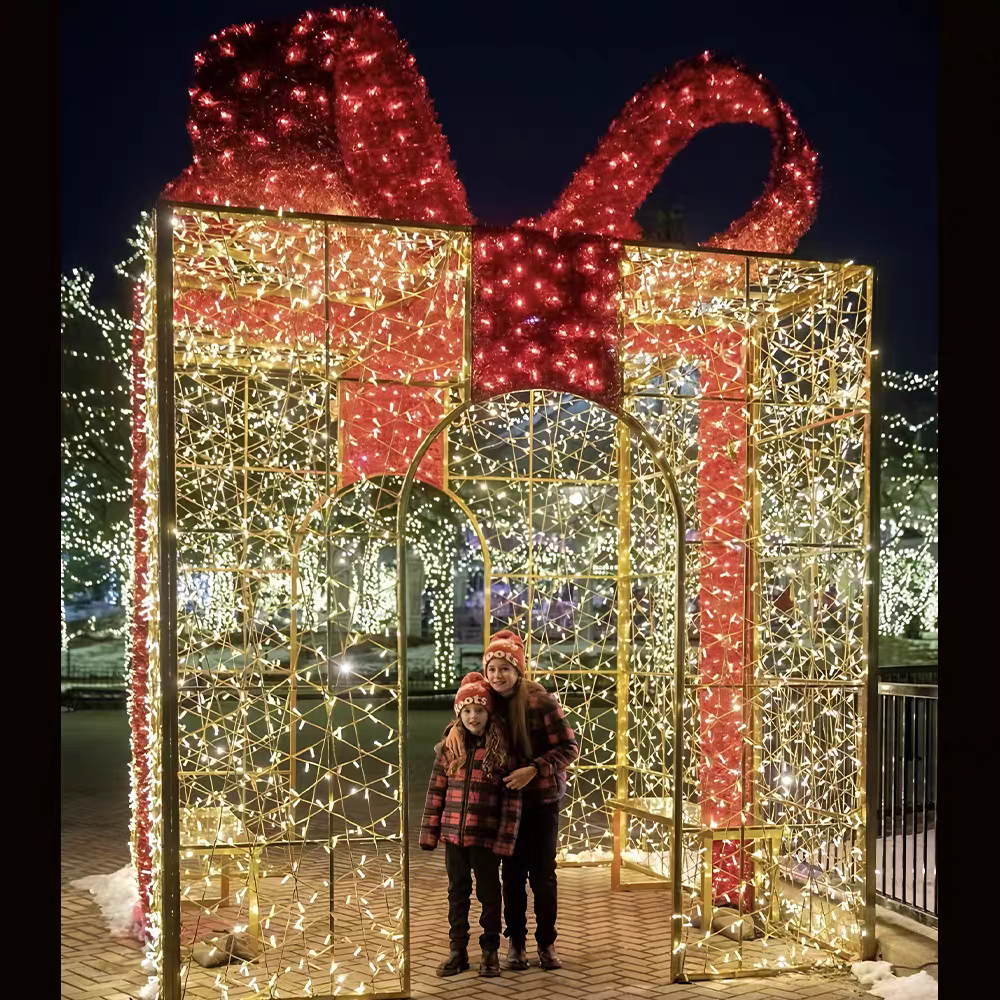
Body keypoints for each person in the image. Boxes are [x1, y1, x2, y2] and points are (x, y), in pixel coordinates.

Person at [482, 629, 580, 971]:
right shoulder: (488, 702)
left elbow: (569, 747)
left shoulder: (540, 701)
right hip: (506, 803)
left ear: (518, 671)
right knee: (511, 875)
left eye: (504, 669)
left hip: (541, 802)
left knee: (542, 875)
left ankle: (547, 943)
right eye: (491, 669)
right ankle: (517, 943)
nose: (497, 676)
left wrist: (534, 770)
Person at [419, 672, 522, 978]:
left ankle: (490, 951)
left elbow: (511, 800)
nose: (473, 716)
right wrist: (430, 831)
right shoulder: (451, 747)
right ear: (459, 714)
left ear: (488, 712)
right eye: (466, 711)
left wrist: (504, 839)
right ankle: (458, 950)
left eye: (479, 710)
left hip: (486, 838)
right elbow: (436, 790)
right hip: (454, 837)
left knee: (489, 895)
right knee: (457, 893)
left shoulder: (501, 749)